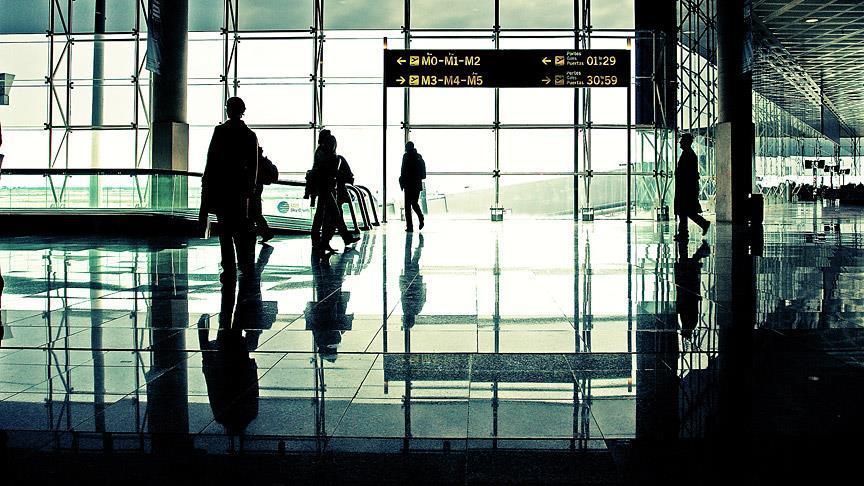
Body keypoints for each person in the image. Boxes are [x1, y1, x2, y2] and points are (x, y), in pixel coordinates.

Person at [200, 97, 259, 283]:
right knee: (240, 231)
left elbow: (211, 161)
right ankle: (243, 263)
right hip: (240, 191)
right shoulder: (249, 135)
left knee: (224, 232)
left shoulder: (220, 132)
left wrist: (207, 185)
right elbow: (254, 167)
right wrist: (250, 190)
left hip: (222, 188)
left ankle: (228, 267)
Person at [308, 130, 360, 258]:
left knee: (323, 214)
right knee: (334, 213)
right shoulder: (324, 154)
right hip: (325, 187)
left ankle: (322, 241)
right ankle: (339, 239)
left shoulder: (320, 152)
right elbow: (326, 171)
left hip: (324, 187)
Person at [674, 133, 710, 241]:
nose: (680, 142)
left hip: (686, 188)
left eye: (681, 141)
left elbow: (687, 173)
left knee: (685, 210)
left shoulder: (688, 155)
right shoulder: (689, 154)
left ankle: (689, 230)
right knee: (685, 210)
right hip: (687, 187)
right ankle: (685, 232)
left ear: (686, 142)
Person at [675, 240, 710, 339]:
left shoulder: (690, 324)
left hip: (689, 294)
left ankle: (700, 251)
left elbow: (691, 310)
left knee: (687, 264)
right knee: (686, 265)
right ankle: (699, 250)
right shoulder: (688, 323)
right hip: (688, 294)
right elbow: (687, 309)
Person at [252, 146, 279, 244]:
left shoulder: (255, 161)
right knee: (256, 213)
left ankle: (266, 233)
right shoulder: (262, 160)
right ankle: (266, 233)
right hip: (258, 187)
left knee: (254, 214)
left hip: (254, 188)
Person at [400, 232, 426, 329]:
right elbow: (404, 295)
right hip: (410, 281)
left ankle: (418, 247)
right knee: (412, 260)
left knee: (413, 260)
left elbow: (422, 297)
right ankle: (419, 246)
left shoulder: (415, 310)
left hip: (412, 281)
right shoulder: (409, 309)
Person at [399, 141, 426, 232]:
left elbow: (403, 170)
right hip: (416, 184)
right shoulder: (419, 156)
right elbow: (423, 174)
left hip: (408, 184)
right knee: (414, 203)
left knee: (407, 206)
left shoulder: (406, 156)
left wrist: (402, 182)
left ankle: (410, 226)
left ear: (407, 148)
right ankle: (420, 217)